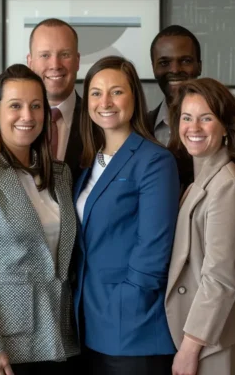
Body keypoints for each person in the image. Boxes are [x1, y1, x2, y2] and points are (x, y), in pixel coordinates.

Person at [0, 63, 80, 375]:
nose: (28, 116)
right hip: (1, 347)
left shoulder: (61, 175)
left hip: (60, 338)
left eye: (36, 106)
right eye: (16, 106)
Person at [74, 56, 181, 374]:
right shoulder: (89, 164)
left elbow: (154, 249)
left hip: (134, 328)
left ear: (134, 96)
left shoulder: (155, 161)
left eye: (116, 92)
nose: (104, 102)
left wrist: (125, 305)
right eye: (95, 93)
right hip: (90, 324)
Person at [164, 77, 235, 375]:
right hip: (195, 335)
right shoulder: (200, 181)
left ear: (226, 127)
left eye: (206, 118)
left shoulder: (227, 186)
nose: (194, 128)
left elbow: (220, 278)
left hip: (209, 343)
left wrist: (191, 347)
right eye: (187, 118)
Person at [26, 18, 85, 180]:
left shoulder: (99, 122)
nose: (55, 65)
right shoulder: (11, 122)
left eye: (65, 54)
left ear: (77, 61)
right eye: (45, 55)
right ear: (30, 62)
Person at [146, 25, 203, 147]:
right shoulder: (141, 127)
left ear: (199, 66)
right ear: (153, 68)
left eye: (185, 61)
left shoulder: (225, 121)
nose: (175, 70)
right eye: (164, 63)